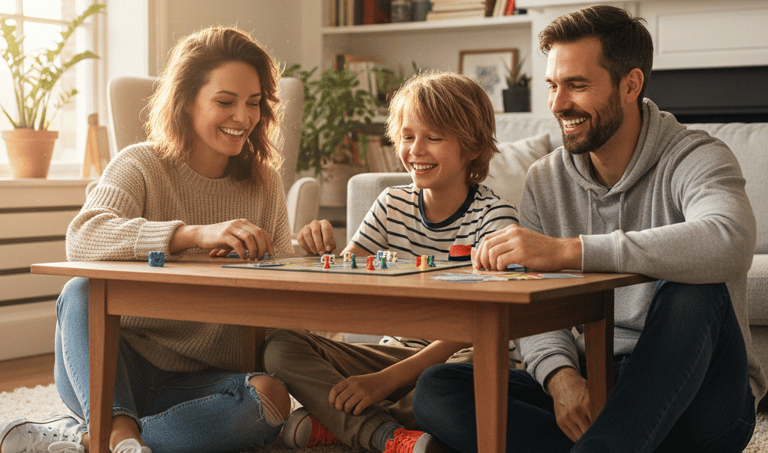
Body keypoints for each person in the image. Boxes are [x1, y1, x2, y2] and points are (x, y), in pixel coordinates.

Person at [412, 5, 767, 453]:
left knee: (693, 290)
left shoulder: (696, 156)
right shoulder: (545, 179)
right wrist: (560, 379)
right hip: (599, 382)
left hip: (703, 403)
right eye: (553, 86)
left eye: (577, 86)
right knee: (438, 389)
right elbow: (533, 303)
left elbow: (728, 240)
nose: (559, 104)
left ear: (630, 85)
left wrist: (570, 252)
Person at [0, 26, 294, 453]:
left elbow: (282, 294)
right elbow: (82, 237)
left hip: (204, 379)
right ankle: (117, 430)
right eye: (225, 102)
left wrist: (308, 259)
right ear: (186, 101)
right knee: (80, 290)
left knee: (270, 398)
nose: (243, 117)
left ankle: (90, 439)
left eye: (253, 103)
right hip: (112, 368)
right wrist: (189, 234)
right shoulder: (139, 163)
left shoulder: (264, 183)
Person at [262, 71, 519, 453]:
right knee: (279, 348)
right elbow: (344, 279)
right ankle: (388, 435)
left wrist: (384, 380)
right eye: (408, 136)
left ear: (473, 147)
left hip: (461, 355)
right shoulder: (390, 204)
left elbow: (484, 325)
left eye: (434, 137)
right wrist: (317, 252)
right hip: (395, 349)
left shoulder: (494, 218)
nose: (416, 149)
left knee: (453, 385)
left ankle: (343, 426)